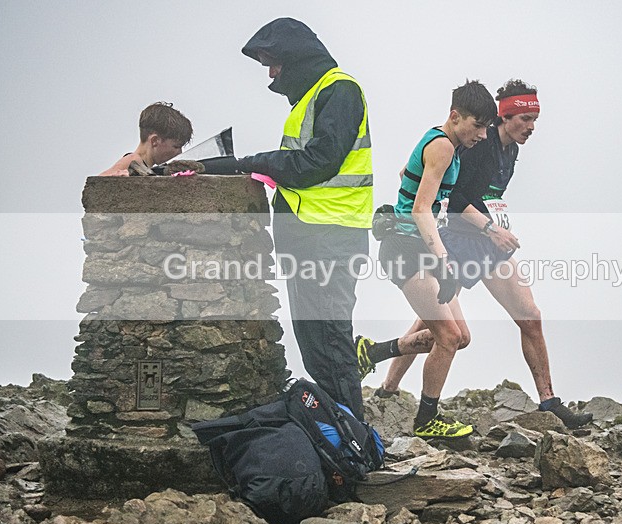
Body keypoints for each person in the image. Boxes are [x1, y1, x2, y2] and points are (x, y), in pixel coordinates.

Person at [358, 80, 593, 430]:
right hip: (450, 240)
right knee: (446, 331)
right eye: (525, 119)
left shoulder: (505, 147)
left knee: (518, 317)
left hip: (469, 243)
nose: (531, 128)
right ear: (505, 116)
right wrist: (487, 230)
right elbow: (444, 199)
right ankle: (405, 399)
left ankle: (548, 401)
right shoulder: (462, 146)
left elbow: (423, 183)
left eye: (535, 121)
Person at [202, 18, 373, 420]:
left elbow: (318, 161)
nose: (271, 73)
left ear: (295, 57)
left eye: (272, 62)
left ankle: (354, 443)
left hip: (330, 235)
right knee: (315, 343)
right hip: (311, 235)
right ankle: (341, 438)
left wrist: (250, 162)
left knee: (330, 341)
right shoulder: (314, 96)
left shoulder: (340, 89)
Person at [377, 80, 496, 439]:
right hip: (405, 249)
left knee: (461, 337)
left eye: (487, 127)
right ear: (455, 116)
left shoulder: (446, 146)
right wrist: (443, 261)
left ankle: (373, 352)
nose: (484, 135)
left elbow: (405, 176)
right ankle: (427, 420)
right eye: (478, 125)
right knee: (448, 336)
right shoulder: (443, 146)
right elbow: (419, 209)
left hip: (418, 248)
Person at [99, 102, 192, 176]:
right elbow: (98, 182)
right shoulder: (133, 161)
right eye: (176, 147)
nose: (180, 153)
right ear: (155, 141)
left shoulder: (144, 166)